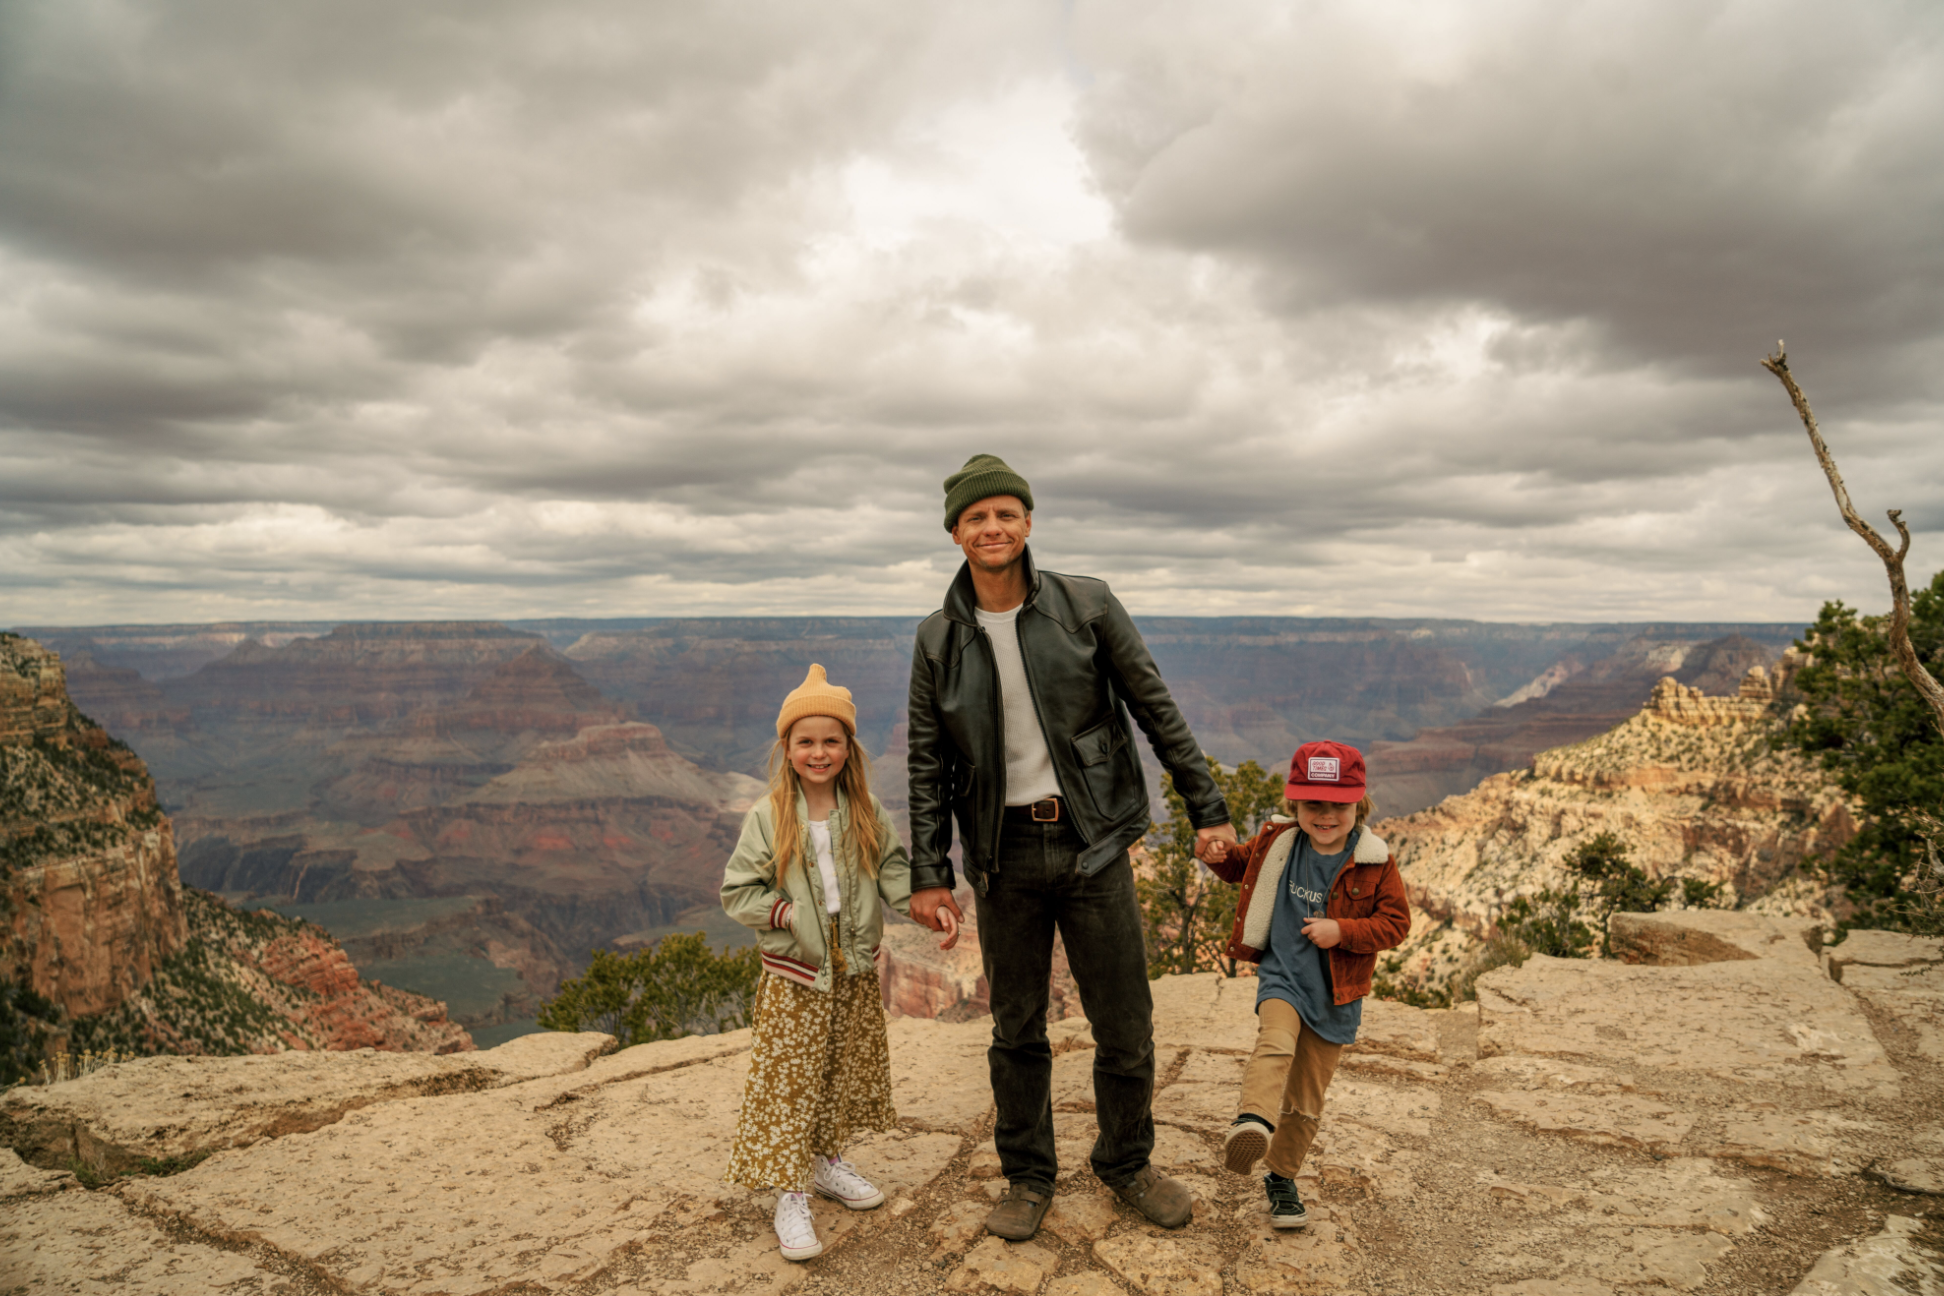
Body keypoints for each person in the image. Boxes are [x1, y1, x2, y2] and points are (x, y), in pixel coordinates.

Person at [905, 454, 1237, 1240]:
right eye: (975, 517)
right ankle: (1027, 1175)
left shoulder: (1086, 605)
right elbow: (928, 761)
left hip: (1091, 843)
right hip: (1002, 856)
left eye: (1005, 513)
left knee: (1125, 1021)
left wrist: (1209, 808)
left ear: (1027, 523)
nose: (992, 528)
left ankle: (1126, 1163)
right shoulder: (938, 638)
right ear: (956, 534)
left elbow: (1156, 708)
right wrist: (930, 871)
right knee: (1015, 1027)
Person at [721, 664, 941, 1261]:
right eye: (806, 741)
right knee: (789, 1082)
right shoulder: (768, 816)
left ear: (849, 747)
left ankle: (824, 1163)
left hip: (853, 967)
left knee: (836, 1072)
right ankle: (788, 1192)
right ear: (787, 748)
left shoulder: (866, 809)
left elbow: (893, 871)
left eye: (831, 740)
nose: (819, 752)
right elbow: (738, 891)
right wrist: (788, 916)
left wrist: (924, 907)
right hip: (796, 973)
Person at [1199, 740, 1411, 1228]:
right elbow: (1237, 867)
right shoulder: (1278, 842)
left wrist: (1344, 931)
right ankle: (1251, 1120)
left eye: (1338, 804)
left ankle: (1282, 1177)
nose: (1326, 814)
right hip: (1284, 977)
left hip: (1336, 995)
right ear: (1294, 802)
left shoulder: (1375, 861)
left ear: (1359, 802)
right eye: (1313, 803)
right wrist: (1216, 852)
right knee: (1273, 1042)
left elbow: (1396, 924)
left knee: (1306, 1101)